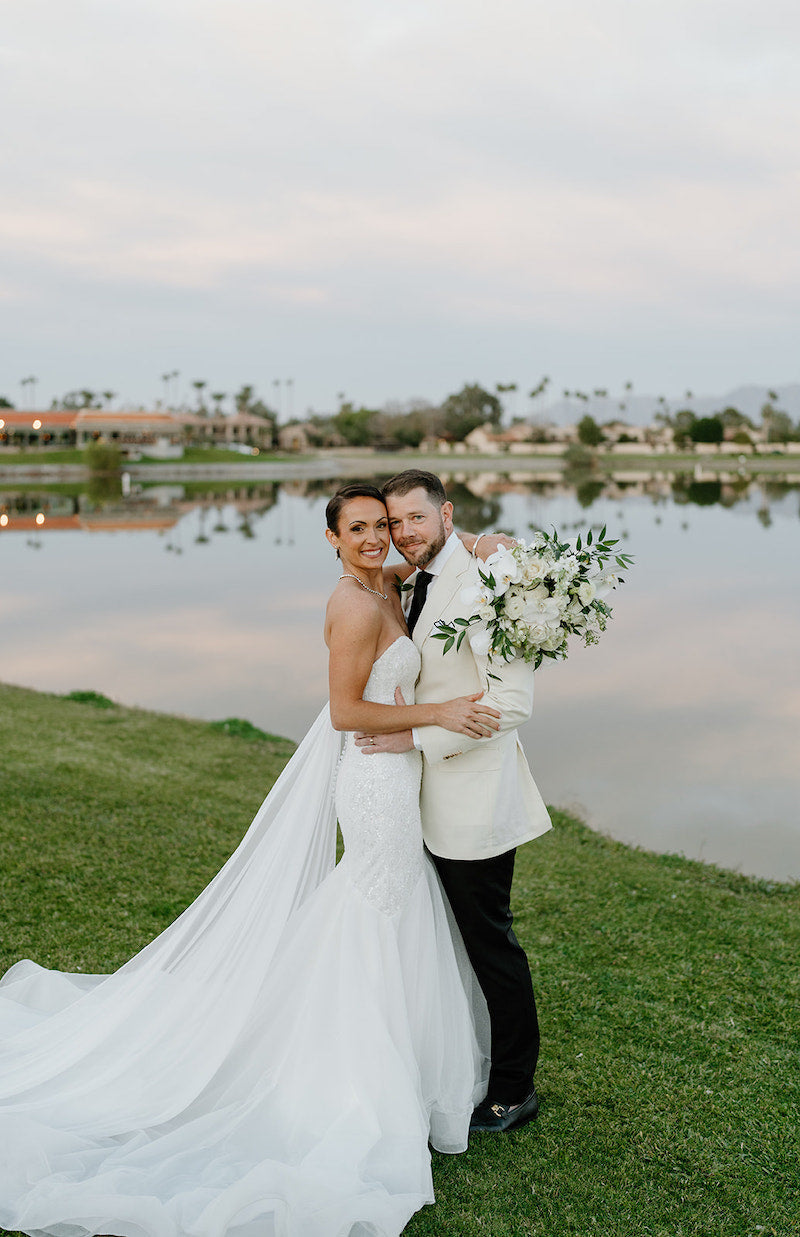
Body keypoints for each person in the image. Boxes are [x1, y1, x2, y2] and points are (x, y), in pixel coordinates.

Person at [0, 484, 505, 1237]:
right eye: (359, 528)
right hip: (373, 778)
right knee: (372, 900)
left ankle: (403, 1065)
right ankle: (348, 1076)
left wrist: (495, 549)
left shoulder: (389, 584)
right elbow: (345, 711)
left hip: (401, 779)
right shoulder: (354, 605)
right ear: (332, 539)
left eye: (384, 525)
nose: (376, 538)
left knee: (390, 903)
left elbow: (440, 567)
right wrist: (435, 712)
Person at [356, 469, 552, 1133]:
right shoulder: (415, 580)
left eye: (417, 517)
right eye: (395, 521)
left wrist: (413, 737)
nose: (405, 532)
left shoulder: (492, 582)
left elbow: (512, 702)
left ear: (447, 514)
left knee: (491, 945)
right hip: (422, 802)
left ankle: (513, 1088)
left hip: (474, 802)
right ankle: (459, 1059)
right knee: (452, 943)